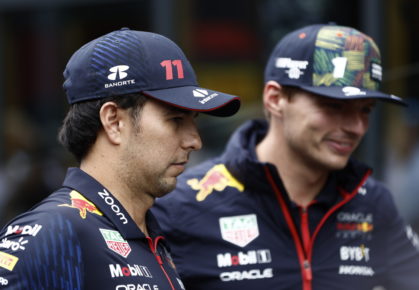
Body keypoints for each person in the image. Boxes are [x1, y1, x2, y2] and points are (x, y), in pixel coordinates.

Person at [152, 24, 419, 290]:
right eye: (334, 106)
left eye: (366, 110)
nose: (355, 127)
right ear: (275, 98)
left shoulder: (372, 203)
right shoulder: (182, 206)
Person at [0, 28, 240, 289]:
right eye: (175, 120)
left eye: (194, 121)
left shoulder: (150, 233)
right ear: (114, 121)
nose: (195, 141)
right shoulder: (52, 231)